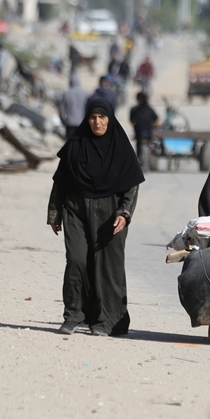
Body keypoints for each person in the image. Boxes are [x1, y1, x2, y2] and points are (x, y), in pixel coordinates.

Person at [48, 99, 145, 337]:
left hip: (110, 214)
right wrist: (54, 212)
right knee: (77, 260)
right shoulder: (76, 145)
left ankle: (107, 321)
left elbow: (132, 186)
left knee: (107, 267)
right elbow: (60, 180)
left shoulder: (120, 148)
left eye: (102, 117)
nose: (97, 122)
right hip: (75, 210)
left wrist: (124, 213)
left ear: (110, 119)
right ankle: (73, 315)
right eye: (92, 117)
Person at [128, 91, 158, 169]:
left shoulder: (134, 109)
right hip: (148, 133)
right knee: (150, 142)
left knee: (138, 144)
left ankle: (139, 159)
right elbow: (156, 119)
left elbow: (131, 120)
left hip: (139, 133)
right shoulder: (150, 109)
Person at [57, 73, 89, 141]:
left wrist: (62, 119)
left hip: (70, 122)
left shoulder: (67, 94)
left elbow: (61, 109)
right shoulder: (85, 94)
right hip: (81, 122)